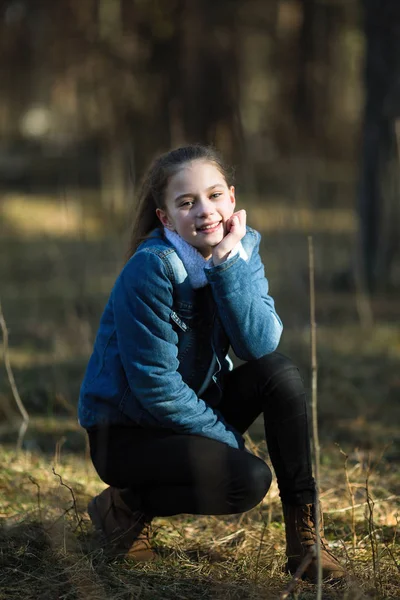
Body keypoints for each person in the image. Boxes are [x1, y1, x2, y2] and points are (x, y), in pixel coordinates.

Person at [78, 144, 345, 581]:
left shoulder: (241, 248)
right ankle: (122, 503)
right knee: (247, 480)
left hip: (189, 411)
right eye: (186, 202)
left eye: (215, 195)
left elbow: (259, 346)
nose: (205, 211)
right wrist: (227, 440)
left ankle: (305, 540)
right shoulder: (151, 269)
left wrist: (226, 265)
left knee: (280, 373)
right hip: (127, 433)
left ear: (233, 198)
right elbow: (156, 387)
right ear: (165, 217)